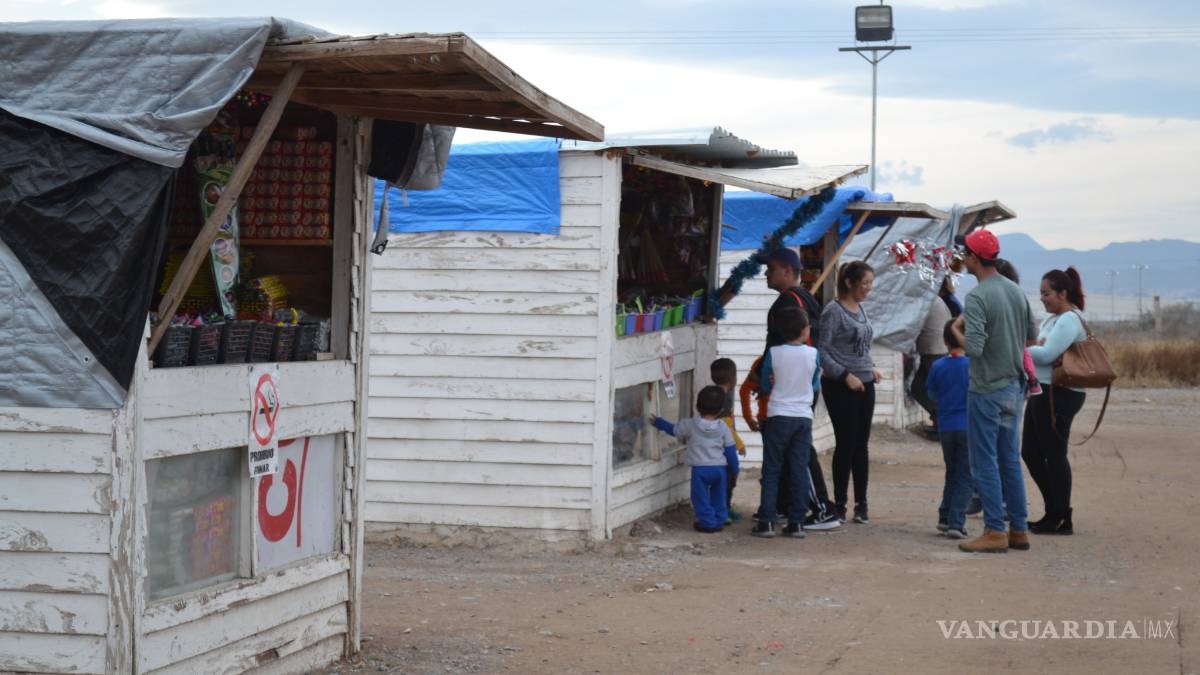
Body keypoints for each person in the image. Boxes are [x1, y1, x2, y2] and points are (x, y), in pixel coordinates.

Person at [950, 230, 1037, 554]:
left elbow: (974, 348)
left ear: (974, 258)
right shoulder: (1015, 291)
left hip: (986, 388)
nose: (963, 259)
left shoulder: (977, 297)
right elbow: (1031, 337)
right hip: (1014, 385)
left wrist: (955, 331)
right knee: (1009, 459)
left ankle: (994, 530)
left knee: (984, 461)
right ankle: (1019, 529)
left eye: (965, 254)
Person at [752, 248, 841, 531]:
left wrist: (763, 380)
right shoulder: (804, 298)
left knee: (796, 453)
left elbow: (778, 350)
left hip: (788, 392)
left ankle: (822, 508)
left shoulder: (788, 302)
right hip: (801, 388)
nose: (766, 274)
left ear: (787, 271)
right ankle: (784, 505)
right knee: (790, 451)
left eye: (771, 269)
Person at [1024, 268, 1089, 535]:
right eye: (1041, 293)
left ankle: (1061, 516)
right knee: (1030, 452)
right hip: (1044, 390)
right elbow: (1041, 350)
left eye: (1046, 293)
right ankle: (1054, 511)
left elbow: (1047, 353)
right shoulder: (1055, 319)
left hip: (1059, 393)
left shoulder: (1069, 320)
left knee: (1054, 453)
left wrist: (1021, 349)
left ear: (1062, 293)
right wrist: (1035, 349)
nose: (1042, 298)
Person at [818, 260, 882, 524]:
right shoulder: (833, 311)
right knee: (845, 444)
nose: (868, 288)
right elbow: (822, 351)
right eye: (864, 283)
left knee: (861, 445)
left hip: (865, 382)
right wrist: (845, 375)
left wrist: (870, 367)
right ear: (849, 282)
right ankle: (840, 503)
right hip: (840, 385)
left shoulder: (861, 308)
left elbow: (861, 346)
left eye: (870, 283)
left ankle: (862, 504)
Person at [751, 308, 821, 538]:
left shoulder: (774, 353)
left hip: (778, 415)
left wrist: (774, 381)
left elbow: (765, 385)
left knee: (772, 469)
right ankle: (797, 522)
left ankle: (767, 522)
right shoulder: (813, 354)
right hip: (803, 417)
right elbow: (815, 385)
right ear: (804, 330)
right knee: (799, 468)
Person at [651, 386, 739, 533]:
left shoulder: (690, 424)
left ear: (697, 406)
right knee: (719, 496)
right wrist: (735, 470)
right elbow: (730, 450)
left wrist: (659, 422)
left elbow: (674, 430)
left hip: (700, 470)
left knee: (700, 497)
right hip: (719, 469)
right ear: (721, 410)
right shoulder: (724, 427)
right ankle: (719, 520)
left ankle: (708, 522)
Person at [927, 319, 972, 540]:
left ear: (945, 341)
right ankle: (956, 522)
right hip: (968, 427)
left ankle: (945, 517)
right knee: (966, 476)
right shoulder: (973, 366)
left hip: (946, 426)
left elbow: (931, 393)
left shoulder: (937, 366)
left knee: (952, 472)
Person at [911, 292, 952, 438]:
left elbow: (911, 324)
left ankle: (941, 424)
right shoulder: (937, 300)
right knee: (919, 388)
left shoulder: (925, 300)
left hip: (933, 351)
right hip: (939, 349)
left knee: (921, 388)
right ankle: (939, 423)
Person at [710, 358, 746, 524]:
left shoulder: (713, 395)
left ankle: (724, 507)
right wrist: (739, 444)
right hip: (725, 447)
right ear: (733, 379)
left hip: (713, 446)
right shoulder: (724, 399)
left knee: (723, 480)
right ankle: (722, 510)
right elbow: (727, 427)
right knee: (728, 478)